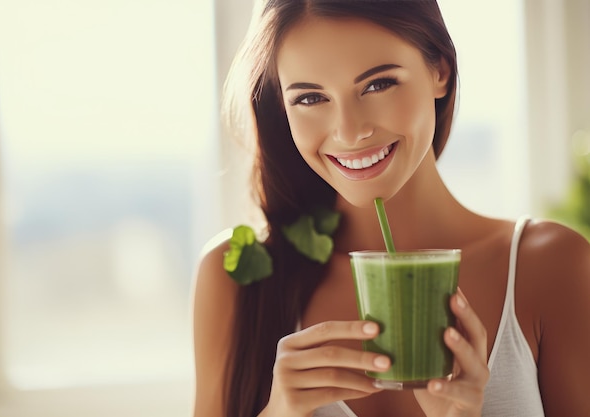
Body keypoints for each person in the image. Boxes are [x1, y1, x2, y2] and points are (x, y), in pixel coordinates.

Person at [192, 1, 590, 416]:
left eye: (378, 84)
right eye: (310, 97)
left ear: (439, 70)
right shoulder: (234, 279)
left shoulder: (551, 266)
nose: (349, 131)